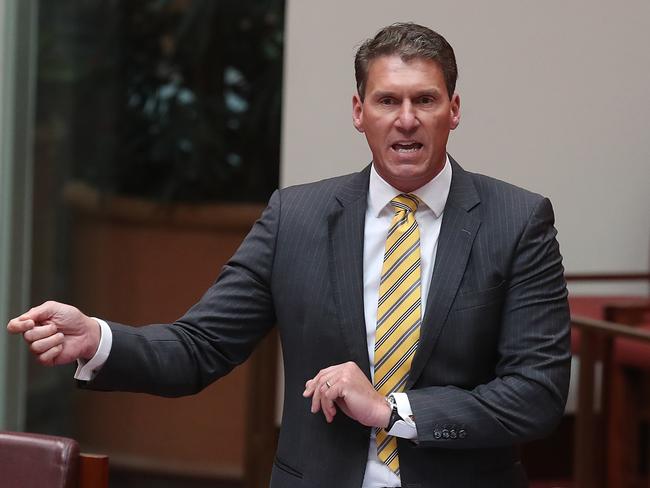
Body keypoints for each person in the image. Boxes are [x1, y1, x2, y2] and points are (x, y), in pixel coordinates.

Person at [7, 22, 570, 488]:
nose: (406, 119)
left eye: (425, 100)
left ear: (453, 109)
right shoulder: (295, 218)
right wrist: (99, 338)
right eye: (387, 100)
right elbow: (201, 346)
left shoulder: (517, 221)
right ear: (358, 111)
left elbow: (537, 394)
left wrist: (394, 411)